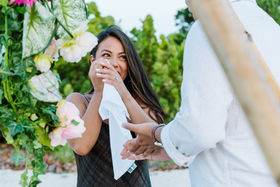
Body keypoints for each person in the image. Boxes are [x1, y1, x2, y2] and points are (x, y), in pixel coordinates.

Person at [121, 0, 280, 186]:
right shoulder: (271, 28)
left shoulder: (210, 28)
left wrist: (157, 132)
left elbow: (200, 130)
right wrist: (173, 148)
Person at [66, 25, 165, 187]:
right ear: (93, 60)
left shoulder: (141, 103)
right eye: (106, 55)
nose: (114, 63)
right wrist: (99, 92)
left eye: (122, 57)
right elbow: (81, 147)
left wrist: (123, 92)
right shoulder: (78, 102)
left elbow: (155, 141)